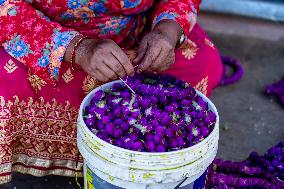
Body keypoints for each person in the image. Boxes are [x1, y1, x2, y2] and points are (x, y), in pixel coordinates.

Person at [0, 0, 222, 183]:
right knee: (5, 83)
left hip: (136, 39)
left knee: (204, 63)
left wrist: (166, 33)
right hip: (47, 39)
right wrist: (78, 48)